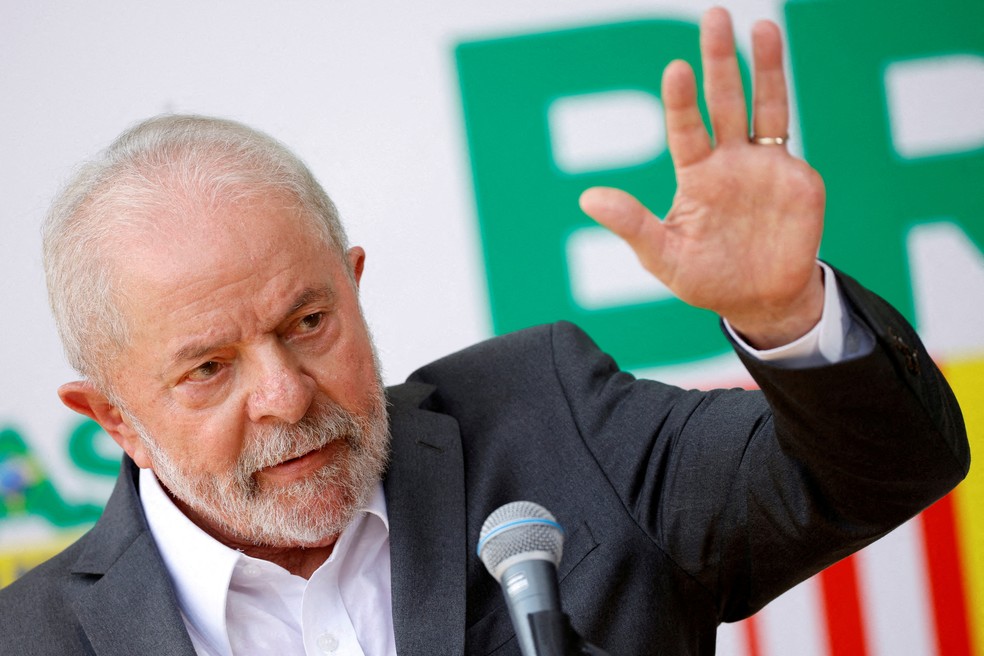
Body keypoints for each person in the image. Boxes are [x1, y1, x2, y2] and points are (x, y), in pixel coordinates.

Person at [0, 8, 968, 656]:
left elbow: (885, 465)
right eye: (209, 367)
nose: (287, 394)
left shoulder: (548, 419)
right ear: (113, 415)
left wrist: (784, 314)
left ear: (355, 282)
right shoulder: (35, 636)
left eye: (309, 321)